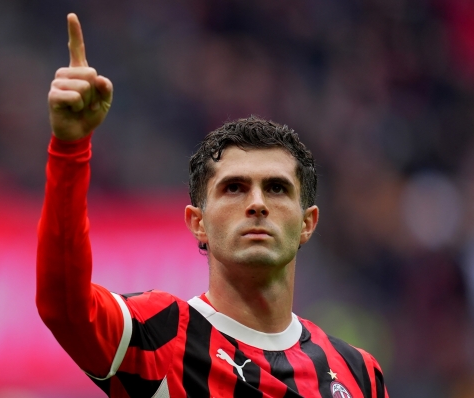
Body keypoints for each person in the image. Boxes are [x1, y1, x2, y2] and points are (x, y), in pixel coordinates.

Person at [36, 13, 389, 398]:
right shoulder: (162, 336)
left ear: (308, 223)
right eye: (234, 188)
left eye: (276, 188)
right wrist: (70, 147)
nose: (257, 204)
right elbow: (65, 306)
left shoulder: (358, 374)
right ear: (197, 222)